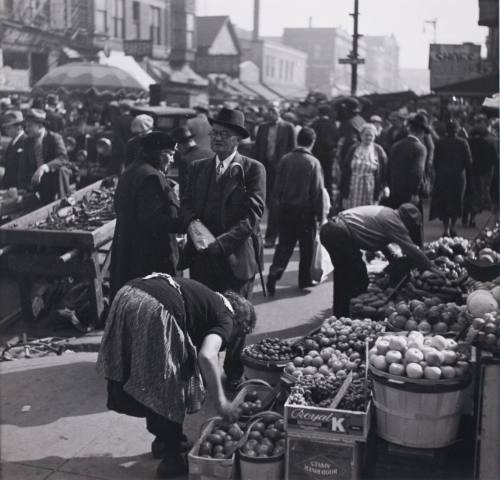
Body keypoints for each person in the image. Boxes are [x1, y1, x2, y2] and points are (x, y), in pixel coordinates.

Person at [98, 274, 256, 478]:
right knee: (171, 386)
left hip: (127, 294)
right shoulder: (227, 318)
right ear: (241, 324)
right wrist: (221, 401)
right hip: (155, 308)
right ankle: (171, 459)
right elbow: (207, 356)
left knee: (148, 380)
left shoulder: (210, 299)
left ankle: (163, 441)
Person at [180, 107, 265, 389]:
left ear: (237, 140)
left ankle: (234, 373)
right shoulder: (198, 167)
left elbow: (252, 218)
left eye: (224, 135)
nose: (217, 139)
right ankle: (206, 372)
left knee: (237, 317)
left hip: (235, 258)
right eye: (214, 133)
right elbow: (187, 205)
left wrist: (222, 243)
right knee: (204, 316)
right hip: (203, 257)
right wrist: (195, 228)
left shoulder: (252, 169)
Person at [320, 203, 433, 317]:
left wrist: (393, 261)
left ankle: (340, 315)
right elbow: (412, 249)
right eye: (412, 225)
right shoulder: (395, 221)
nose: (410, 229)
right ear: (407, 221)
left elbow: (381, 243)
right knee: (358, 277)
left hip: (331, 229)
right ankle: (350, 316)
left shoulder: (388, 213)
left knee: (343, 277)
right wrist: (433, 268)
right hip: (338, 233)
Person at [109, 131, 183, 301]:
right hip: (150, 258)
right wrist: (184, 223)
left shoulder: (131, 171)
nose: (172, 160)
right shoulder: (151, 177)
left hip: (130, 253)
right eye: (170, 154)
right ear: (158, 153)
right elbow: (153, 221)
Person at [266, 127, 324, 294]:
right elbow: (317, 191)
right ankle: (304, 280)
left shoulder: (285, 159)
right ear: (313, 142)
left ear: (298, 140)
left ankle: (274, 272)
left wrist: (276, 208)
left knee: (284, 245)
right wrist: (320, 215)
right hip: (305, 212)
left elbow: (277, 187)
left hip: (285, 209)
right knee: (306, 248)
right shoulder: (313, 162)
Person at [254, 106, 295, 247]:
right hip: (265, 168)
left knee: (275, 203)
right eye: (269, 111)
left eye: (274, 111)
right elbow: (257, 147)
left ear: (280, 112)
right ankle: (257, 236)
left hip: (281, 170)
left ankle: (271, 237)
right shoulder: (263, 127)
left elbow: (292, 149)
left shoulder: (288, 127)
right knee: (262, 201)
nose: (271, 113)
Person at [386, 113, 429, 247]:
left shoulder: (396, 145)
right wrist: (415, 193)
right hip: (410, 194)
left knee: (395, 225)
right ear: (422, 132)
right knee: (413, 227)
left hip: (395, 192)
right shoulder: (420, 148)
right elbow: (417, 172)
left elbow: (389, 170)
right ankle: (414, 257)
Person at [428, 120, 472, 237]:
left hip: (443, 177)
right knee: (456, 202)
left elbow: (435, 161)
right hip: (458, 177)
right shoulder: (463, 143)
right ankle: (452, 227)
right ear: (457, 130)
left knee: (444, 202)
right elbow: (469, 162)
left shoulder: (439, 143)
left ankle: (446, 228)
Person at [20, 108, 71, 204]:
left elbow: (63, 158)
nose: (26, 129)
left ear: (40, 126)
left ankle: (63, 203)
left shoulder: (54, 138)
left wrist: (44, 167)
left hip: (53, 180)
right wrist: (22, 187)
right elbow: (23, 166)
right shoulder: (27, 142)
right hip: (37, 182)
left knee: (62, 170)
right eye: (26, 126)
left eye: (30, 126)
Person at [339, 123, 388, 209]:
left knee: (368, 213)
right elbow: (345, 169)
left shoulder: (378, 150)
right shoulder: (353, 148)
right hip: (353, 186)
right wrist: (342, 191)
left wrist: (384, 186)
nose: (368, 138)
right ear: (361, 135)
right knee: (352, 212)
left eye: (371, 135)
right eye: (366, 135)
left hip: (370, 187)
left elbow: (385, 169)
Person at [464, 125, 497, 226]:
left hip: (467, 172)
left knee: (466, 195)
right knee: (477, 196)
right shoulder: (487, 144)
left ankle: (464, 215)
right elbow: (493, 160)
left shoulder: (466, 142)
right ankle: (472, 219)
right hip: (480, 173)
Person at [172, 126, 213, 198]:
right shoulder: (211, 153)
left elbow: (184, 190)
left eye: (177, 147)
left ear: (181, 145)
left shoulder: (185, 160)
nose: (177, 150)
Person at [310, 104, 338, 206]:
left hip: (316, 155)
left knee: (315, 179)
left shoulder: (314, 124)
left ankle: (315, 201)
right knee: (328, 179)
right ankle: (328, 203)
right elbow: (336, 139)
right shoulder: (332, 125)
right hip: (329, 156)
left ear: (319, 113)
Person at [0, 110, 26, 189]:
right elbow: (7, 161)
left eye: (8, 128)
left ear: (19, 127)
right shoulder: (13, 141)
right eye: (5, 128)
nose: (6, 131)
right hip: (10, 185)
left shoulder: (25, 141)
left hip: (18, 187)